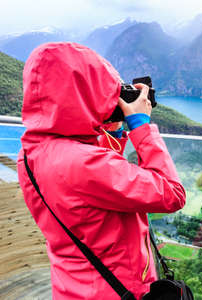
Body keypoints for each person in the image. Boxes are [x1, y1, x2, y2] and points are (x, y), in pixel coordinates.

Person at [16, 42, 186, 299]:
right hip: (118, 290)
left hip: (72, 286)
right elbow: (172, 193)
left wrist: (112, 129)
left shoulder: (30, 152)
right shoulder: (85, 164)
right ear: (83, 92)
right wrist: (141, 126)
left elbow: (95, 189)